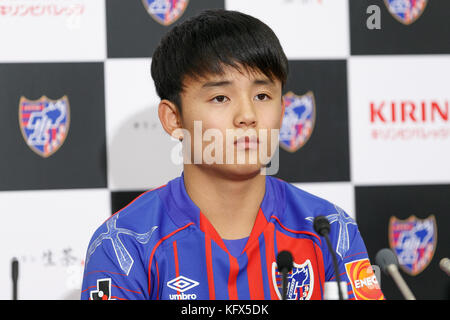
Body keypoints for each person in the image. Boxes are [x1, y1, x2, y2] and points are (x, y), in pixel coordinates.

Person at [81, 9, 384, 300]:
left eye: (262, 95)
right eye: (220, 97)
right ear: (174, 119)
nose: (248, 115)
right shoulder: (124, 243)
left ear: (282, 111)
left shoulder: (329, 231)